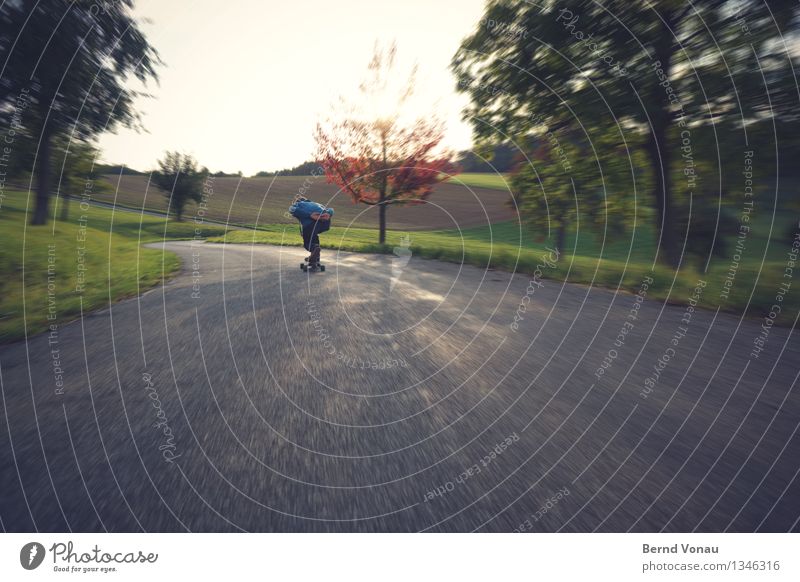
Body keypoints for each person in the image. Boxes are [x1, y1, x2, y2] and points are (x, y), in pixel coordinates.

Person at [288, 197, 334, 265]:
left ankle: (314, 249)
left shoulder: (299, 204)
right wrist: (328, 214)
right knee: (314, 236)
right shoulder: (317, 204)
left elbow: (291, 209)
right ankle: (315, 256)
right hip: (325, 224)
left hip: (311, 224)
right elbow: (331, 210)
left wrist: (309, 215)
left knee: (307, 242)